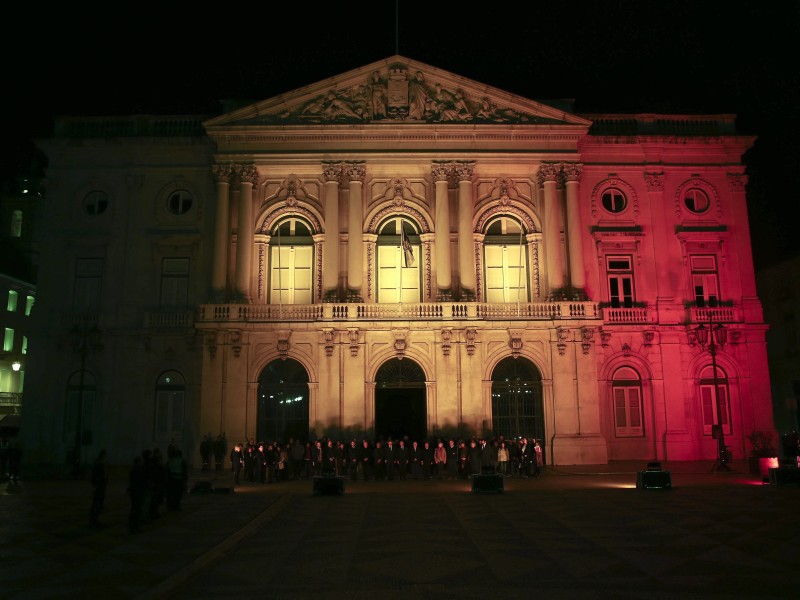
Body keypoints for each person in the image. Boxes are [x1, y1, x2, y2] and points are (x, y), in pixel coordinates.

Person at [89, 449, 108, 527]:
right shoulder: (99, 466)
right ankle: (94, 520)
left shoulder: (101, 465)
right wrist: (98, 483)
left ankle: (94, 520)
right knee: (97, 504)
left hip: (101, 487)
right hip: (100, 487)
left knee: (98, 504)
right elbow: (95, 478)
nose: (105, 459)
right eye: (104, 457)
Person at [127, 455, 146, 533]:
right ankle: (134, 526)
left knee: (134, 508)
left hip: (134, 492)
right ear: (138, 462)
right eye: (141, 461)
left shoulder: (133, 470)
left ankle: (132, 524)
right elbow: (140, 481)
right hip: (137, 492)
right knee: (136, 509)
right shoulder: (138, 471)